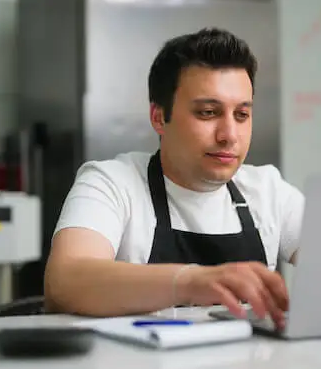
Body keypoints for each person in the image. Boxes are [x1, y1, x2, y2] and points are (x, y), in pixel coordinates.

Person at [43, 28, 304, 328]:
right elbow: (65, 282)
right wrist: (190, 282)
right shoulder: (112, 183)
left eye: (242, 115)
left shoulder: (269, 191)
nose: (229, 135)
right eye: (208, 112)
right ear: (158, 117)